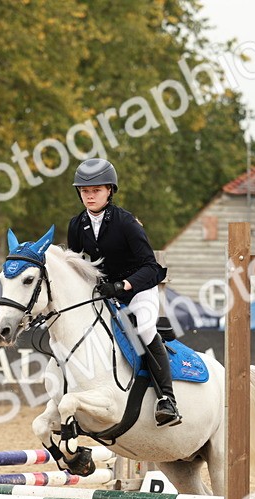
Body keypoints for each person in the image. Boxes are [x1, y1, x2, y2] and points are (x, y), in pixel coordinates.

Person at [66, 158, 180, 427]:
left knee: (144, 329)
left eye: (96, 190)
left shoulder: (126, 222)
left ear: (109, 191)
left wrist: (122, 286)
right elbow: (75, 264)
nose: (90, 195)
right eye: (84, 191)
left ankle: (167, 399)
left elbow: (150, 267)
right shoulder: (76, 225)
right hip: (104, 293)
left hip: (137, 290)